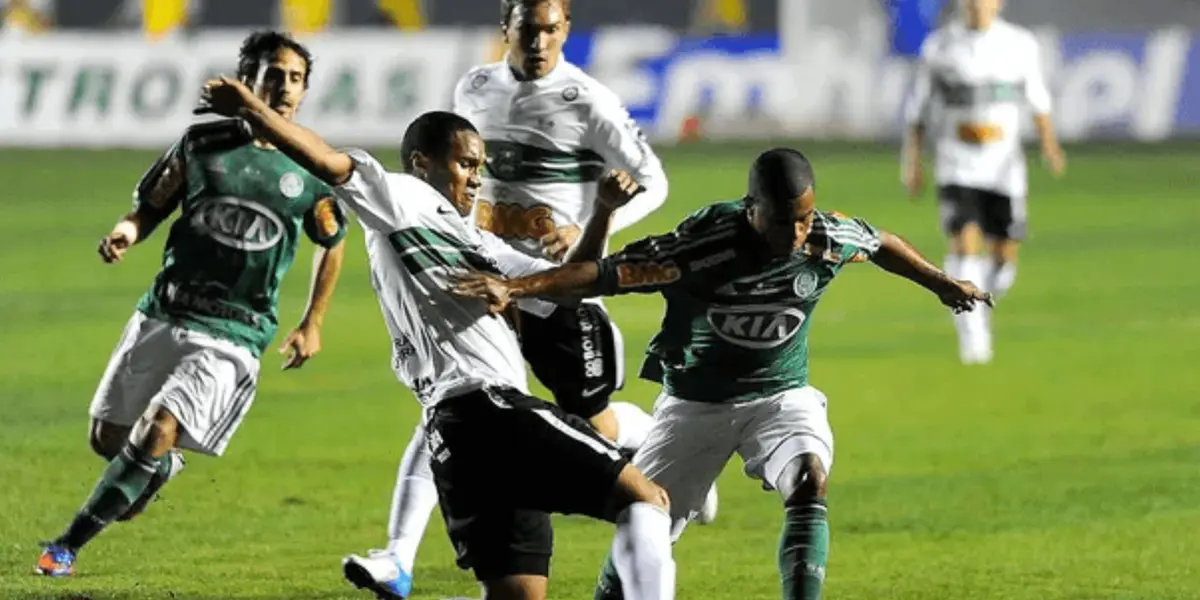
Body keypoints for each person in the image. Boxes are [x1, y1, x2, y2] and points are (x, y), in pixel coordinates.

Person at [198, 72, 678, 600]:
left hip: (454, 436)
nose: (476, 178)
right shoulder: (402, 200)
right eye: (465, 163)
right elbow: (330, 163)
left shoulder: (480, 244)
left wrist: (601, 215)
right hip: (493, 411)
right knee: (646, 499)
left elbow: (568, 289)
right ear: (422, 162)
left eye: (480, 167)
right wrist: (252, 107)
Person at [452, 148, 992, 600]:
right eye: (785, 220)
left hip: (781, 396)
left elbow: (882, 244)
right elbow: (600, 276)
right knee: (646, 522)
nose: (799, 231)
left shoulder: (824, 237)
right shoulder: (702, 247)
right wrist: (518, 288)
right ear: (752, 208)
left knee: (810, 477)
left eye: (805, 217)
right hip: (695, 407)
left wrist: (941, 283)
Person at [342, 0, 713, 596]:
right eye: (527, 28)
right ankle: (397, 556)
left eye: (550, 29)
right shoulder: (476, 86)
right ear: (506, 28)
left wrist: (601, 220)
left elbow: (653, 178)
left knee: (591, 419)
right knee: (454, 401)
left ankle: (661, 442)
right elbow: (458, 170)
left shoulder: (587, 99)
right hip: (479, 271)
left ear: (565, 29)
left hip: (550, 279)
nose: (538, 41)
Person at [35, 31, 348, 577]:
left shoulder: (309, 165)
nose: (283, 87)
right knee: (107, 439)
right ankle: (157, 468)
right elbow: (150, 207)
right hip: (165, 311)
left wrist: (311, 322)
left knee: (158, 427)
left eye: (295, 78)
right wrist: (125, 234)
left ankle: (66, 545)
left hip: (236, 333)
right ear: (245, 77)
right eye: (273, 74)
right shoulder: (201, 144)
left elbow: (334, 241)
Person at [901, 0, 1065, 364]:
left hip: (1003, 167)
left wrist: (1050, 147)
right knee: (964, 242)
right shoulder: (940, 47)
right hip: (956, 163)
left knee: (1004, 257)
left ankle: (979, 302)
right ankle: (973, 337)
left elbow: (1038, 101)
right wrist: (912, 163)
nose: (977, 6)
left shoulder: (1020, 45)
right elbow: (917, 112)